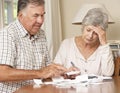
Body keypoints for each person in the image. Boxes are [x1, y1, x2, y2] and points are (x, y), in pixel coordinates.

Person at [0, 0, 67, 93]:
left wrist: (62, 73)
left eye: (42, 15)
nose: (40, 21)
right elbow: (2, 73)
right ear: (20, 16)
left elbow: (46, 68)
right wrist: (39, 73)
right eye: (35, 16)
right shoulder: (7, 34)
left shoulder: (41, 34)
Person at [54, 8, 114, 77]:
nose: (90, 36)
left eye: (96, 33)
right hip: (71, 87)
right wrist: (66, 72)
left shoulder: (104, 48)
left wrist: (104, 42)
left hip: (96, 88)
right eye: (88, 30)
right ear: (83, 27)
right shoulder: (67, 44)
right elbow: (55, 70)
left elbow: (108, 73)